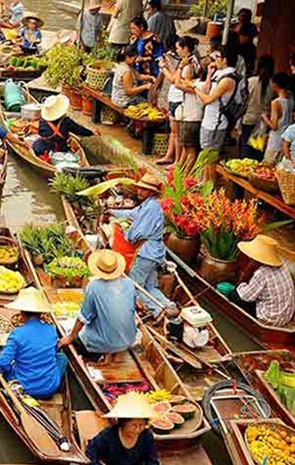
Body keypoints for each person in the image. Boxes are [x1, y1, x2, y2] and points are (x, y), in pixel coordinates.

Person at [108, 174, 175, 316]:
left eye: (144, 190)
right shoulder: (147, 205)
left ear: (151, 192)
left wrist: (125, 230)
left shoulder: (151, 208)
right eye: (139, 189)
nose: (139, 192)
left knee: (135, 287)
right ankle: (169, 305)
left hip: (146, 253)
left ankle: (158, 311)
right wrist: (112, 212)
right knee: (150, 287)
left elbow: (135, 235)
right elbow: (132, 213)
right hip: (155, 253)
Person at [59, 249, 138, 356]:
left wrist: (71, 337)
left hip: (104, 343)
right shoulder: (129, 284)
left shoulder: (94, 287)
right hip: (129, 339)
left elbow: (83, 317)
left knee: (77, 339)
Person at [0, 287, 68, 398]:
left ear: (21, 314)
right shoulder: (51, 329)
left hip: (24, 387)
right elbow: (52, 351)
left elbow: (3, 363)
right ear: (41, 313)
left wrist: (10, 368)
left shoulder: (17, 334)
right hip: (50, 387)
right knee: (62, 358)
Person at [232, 235, 295, 327]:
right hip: (287, 316)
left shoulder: (262, 273)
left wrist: (241, 283)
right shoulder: (283, 266)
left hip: (270, 319)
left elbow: (245, 296)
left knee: (234, 295)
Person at [194, 46, 238, 155]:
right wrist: (209, 74)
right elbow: (206, 90)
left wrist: (194, 88)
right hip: (209, 120)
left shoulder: (227, 79)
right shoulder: (219, 74)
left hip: (215, 122)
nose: (215, 60)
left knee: (209, 157)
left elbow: (207, 99)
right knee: (206, 155)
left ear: (225, 60)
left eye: (218, 57)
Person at [175, 36, 203, 168]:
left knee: (190, 149)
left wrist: (180, 68)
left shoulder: (196, 84)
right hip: (189, 112)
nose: (177, 51)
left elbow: (177, 83)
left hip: (192, 115)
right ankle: (181, 172)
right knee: (186, 147)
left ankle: (185, 176)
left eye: (178, 48)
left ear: (185, 49)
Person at [240, 55, 274, 161]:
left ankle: (244, 168)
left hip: (248, 118)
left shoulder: (250, 81)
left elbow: (243, 101)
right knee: (256, 147)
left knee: (245, 146)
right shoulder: (272, 85)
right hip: (263, 121)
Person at [156, 36, 182, 165]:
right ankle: (169, 155)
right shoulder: (176, 60)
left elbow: (173, 79)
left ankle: (176, 160)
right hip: (172, 96)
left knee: (176, 132)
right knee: (173, 131)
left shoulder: (186, 63)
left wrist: (164, 67)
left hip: (178, 99)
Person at [263, 72, 293, 164]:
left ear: (275, 84)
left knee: (267, 165)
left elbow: (274, 126)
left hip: (275, 140)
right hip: (286, 138)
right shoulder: (291, 98)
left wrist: (265, 118)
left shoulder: (276, 103)